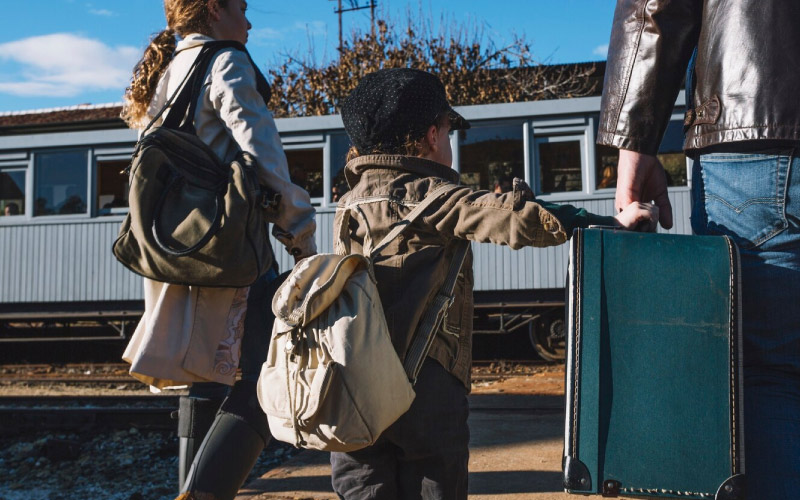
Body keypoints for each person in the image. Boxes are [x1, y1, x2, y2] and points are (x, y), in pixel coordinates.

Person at [331, 68, 658, 499]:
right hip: (422, 392)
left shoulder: (349, 204)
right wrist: (610, 221)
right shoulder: (434, 196)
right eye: (448, 131)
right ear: (431, 136)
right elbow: (513, 218)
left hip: (350, 391)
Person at [597, 2, 800, 498]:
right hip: (759, 135)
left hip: (758, 131)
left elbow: (656, 8)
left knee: (763, 376)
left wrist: (635, 146)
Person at [119, 1, 316, 499]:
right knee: (261, 385)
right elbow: (262, 152)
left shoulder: (167, 69)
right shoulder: (226, 61)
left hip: (174, 252)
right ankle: (204, 494)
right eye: (243, 9)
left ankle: (192, 488)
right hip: (227, 253)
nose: (249, 22)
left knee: (206, 377)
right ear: (213, 9)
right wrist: (300, 232)